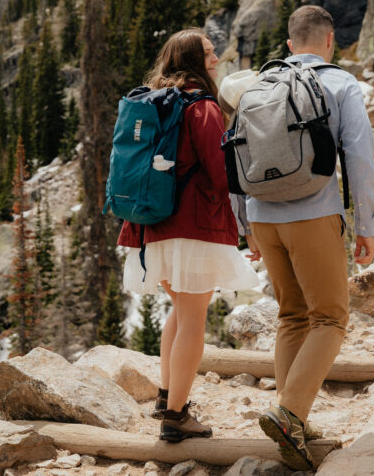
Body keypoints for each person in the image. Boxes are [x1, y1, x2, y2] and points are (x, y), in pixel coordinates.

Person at [236, 5, 374, 471]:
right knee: (331, 318)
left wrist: (245, 226)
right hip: (313, 214)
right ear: (330, 41)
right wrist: (366, 225)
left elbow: (235, 156)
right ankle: (289, 412)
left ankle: (291, 418)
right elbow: (358, 158)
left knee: (292, 315)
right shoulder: (339, 83)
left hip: (262, 217)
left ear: (291, 45)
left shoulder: (260, 84)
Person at [118, 28, 259, 442]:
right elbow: (220, 174)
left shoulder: (156, 101)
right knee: (193, 318)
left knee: (179, 311)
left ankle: (166, 396)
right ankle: (177, 418)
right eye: (210, 54)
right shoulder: (201, 106)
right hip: (193, 228)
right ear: (194, 61)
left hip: (153, 226)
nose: (216, 60)